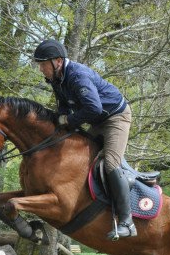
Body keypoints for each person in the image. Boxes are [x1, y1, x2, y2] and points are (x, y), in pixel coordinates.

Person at [33, 39, 136, 240]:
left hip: (116, 117)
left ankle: (127, 222)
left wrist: (68, 120)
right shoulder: (57, 79)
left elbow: (93, 108)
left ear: (58, 62)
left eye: (43, 64)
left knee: (110, 164)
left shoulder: (77, 76)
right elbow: (63, 107)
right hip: (97, 118)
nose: (41, 69)